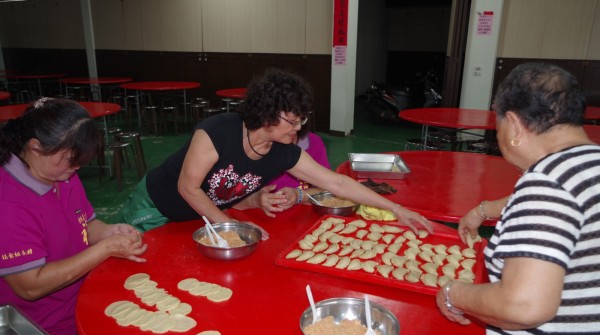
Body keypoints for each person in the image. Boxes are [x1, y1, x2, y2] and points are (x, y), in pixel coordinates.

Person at [435, 63, 599, 335]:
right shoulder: (586, 165)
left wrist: (454, 293)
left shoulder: (547, 185)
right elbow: (562, 208)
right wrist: (485, 210)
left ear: (513, 125)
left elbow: (523, 305)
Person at [120, 68, 431, 234]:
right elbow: (187, 187)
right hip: (156, 208)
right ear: (266, 114)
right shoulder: (217, 132)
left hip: (201, 220)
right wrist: (231, 225)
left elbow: (337, 183)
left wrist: (397, 210)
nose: (297, 128)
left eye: (301, 120)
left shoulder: (283, 151)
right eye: (291, 121)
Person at [0, 98, 148, 335]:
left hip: (83, 301)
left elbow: (86, 224)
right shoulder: (8, 203)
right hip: (45, 329)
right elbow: (30, 286)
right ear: (36, 146)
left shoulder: (61, 173)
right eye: (71, 159)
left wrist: (110, 231)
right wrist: (105, 250)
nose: (76, 168)